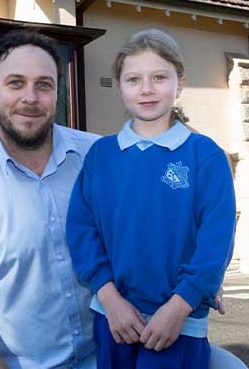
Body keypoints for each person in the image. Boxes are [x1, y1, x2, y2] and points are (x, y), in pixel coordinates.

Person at [0, 29, 245, 369]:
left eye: (44, 84)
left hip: (133, 338)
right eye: (16, 83)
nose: (31, 97)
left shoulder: (96, 152)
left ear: (57, 93)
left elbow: (191, 207)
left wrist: (197, 286)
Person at [66, 28, 237, 369]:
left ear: (180, 83)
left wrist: (181, 304)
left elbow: (216, 241)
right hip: (114, 317)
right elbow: (81, 231)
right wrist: (109, 298)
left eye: (159, 77)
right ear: (119, 87)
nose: (146, 89)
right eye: (133, 79)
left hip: (180, 320)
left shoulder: (204, 155)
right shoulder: (101, 156)